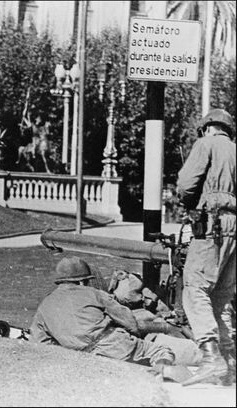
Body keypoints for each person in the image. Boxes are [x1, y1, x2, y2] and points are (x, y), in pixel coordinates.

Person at [30, 257, 176, 372]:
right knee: (161, 350)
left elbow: (40, 342)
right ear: (82, 282)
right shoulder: (94, 293)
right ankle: (162, 373)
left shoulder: (44, 305)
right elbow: (129, 321)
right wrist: (136, 333)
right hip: (114, 346)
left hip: (80, 355)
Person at [176, 108, 236, 386]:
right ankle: (229, 361)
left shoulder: (205, 144)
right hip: (235, 227)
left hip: (211, 223)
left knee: (195, 287)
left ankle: (211, 358)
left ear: (208, 127)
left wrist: (189, 201)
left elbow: (186, 185)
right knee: (222, 293)